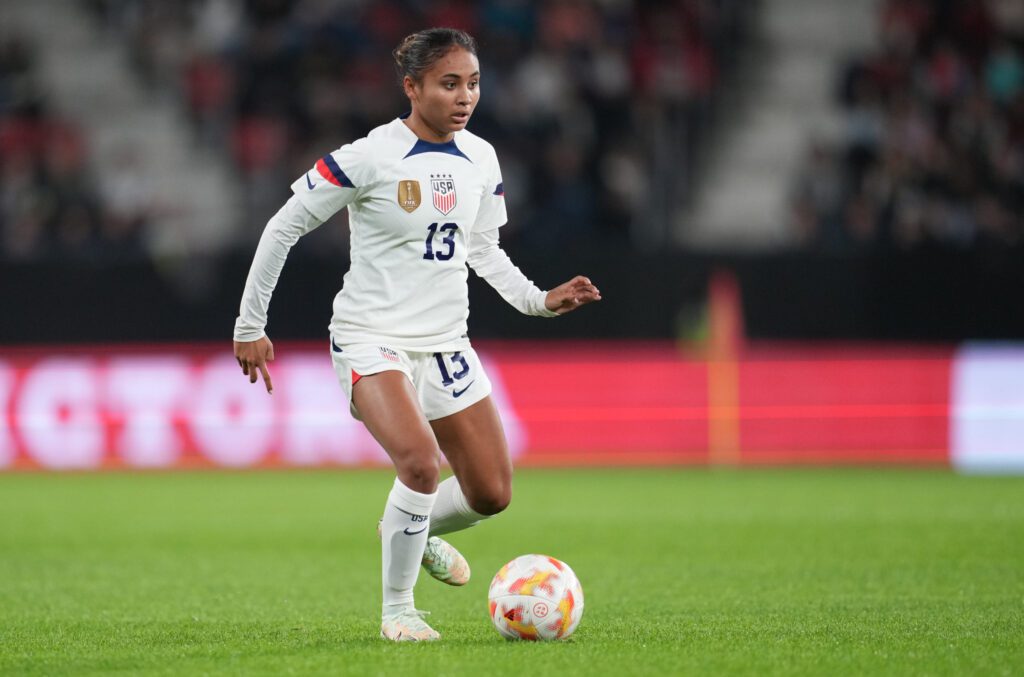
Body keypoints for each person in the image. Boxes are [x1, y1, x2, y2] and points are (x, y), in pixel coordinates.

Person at [232, 27, 601, 642]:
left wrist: (538, 302)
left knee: (491, 492)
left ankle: (408, 527)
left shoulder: (481, 158)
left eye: (473, 83)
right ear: (412, 87)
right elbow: (282, 226)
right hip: (371, 336)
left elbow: (483, 248)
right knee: (420, 464)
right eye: (449, 84)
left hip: (446, 343)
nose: (465, 97)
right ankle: (398, 613)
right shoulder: (370, 156)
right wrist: (250, 325)